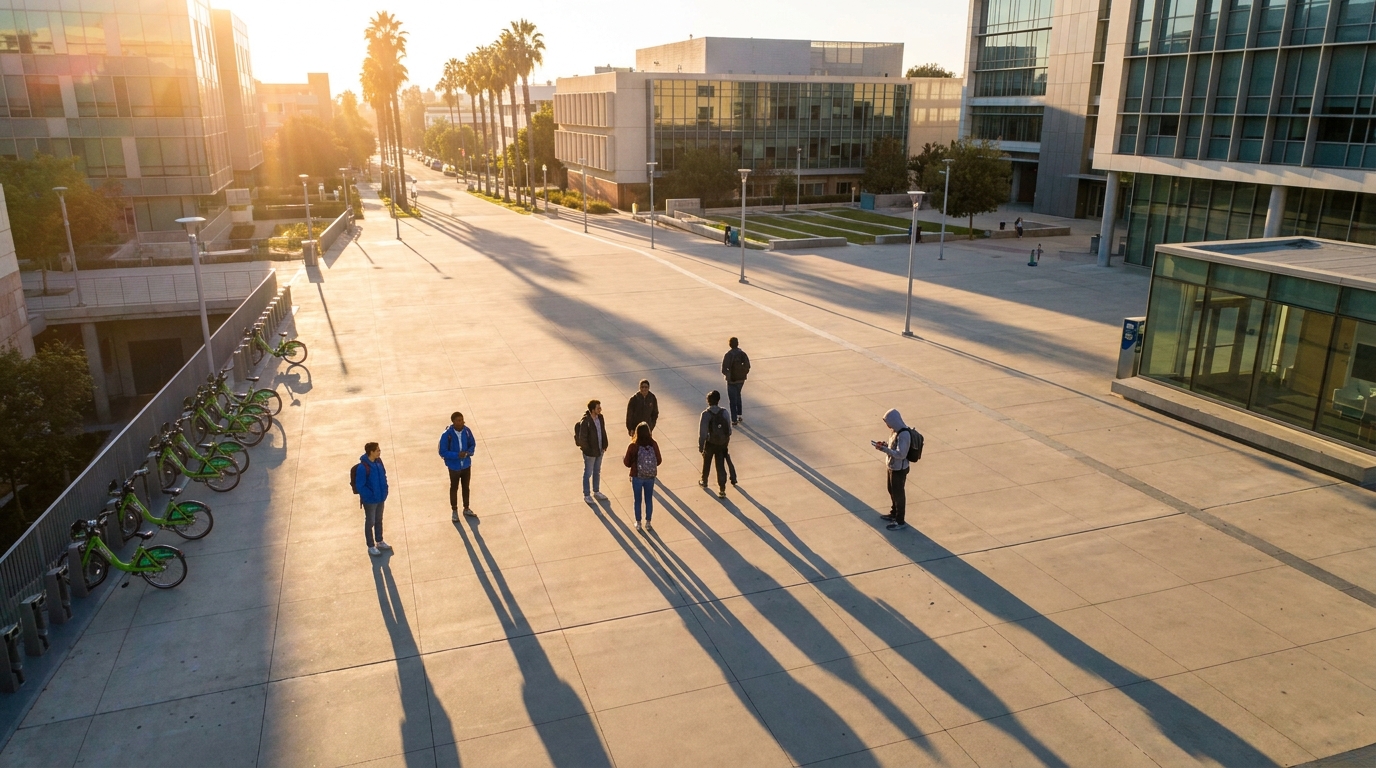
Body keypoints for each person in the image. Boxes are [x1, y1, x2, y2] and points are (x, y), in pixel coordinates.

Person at [871, 409, 912, 532]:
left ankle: (900, 520)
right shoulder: (894, 431)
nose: (887, 425)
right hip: (892, 466)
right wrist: (884, 445)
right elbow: (892, 446)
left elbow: (901, 454)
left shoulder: (904, 434)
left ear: (894, 420)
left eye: (888, 422)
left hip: (899, 469)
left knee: (898, 494)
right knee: (891, 490)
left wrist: (884, 450)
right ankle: (894, 513)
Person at [622, 421, 663, 531]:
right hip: (650, 477)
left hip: (637, 476)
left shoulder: (633, 446)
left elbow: (627, 463)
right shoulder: (653, 444)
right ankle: (648, 523)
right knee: (648, 499)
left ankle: (638, 523)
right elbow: (659, 460)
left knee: (637, 500)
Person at [439, 411, 477, 521]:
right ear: (453, 422)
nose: (461, 422)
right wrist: (457, 455)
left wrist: (468, 452)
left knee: (466, 487)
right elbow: (442, 451)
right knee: (454, 488)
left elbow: (472, 444)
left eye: (462, 420)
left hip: (466, 465)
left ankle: (466, 508)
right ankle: (454, 511)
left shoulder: (467, 431)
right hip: (454, 467)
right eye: (458, 420)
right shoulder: (447, 434)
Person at [354, 442, 391, 555]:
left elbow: (384, 475)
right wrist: (371, 495)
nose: (380, 452)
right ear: (371, 452)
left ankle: (379, 541)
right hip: (370, 501)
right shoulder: (363, 467)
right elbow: (360, 486)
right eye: (377, 450)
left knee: (379, 520)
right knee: (370, 522)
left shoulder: (379, 462)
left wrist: (385, 490)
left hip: (380, 497)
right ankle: (371, 545)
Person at [698, 390, 732, 498]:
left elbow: (702, 433)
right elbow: (729, 430)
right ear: (718, 400)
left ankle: (704, 480)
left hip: (710, 443)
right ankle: (722, 489)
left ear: (708, 401)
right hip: (721, 444)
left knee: (707, 462)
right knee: (720, 465)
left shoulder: (705, 414)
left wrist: (701, 446)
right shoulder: (724, 412)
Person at [577, 399, 609, 503]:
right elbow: (582, 439)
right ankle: (587, 494)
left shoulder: (600, 418)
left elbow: (603, 431)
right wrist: (587, 450)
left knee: (597, 471)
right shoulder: (586, 422)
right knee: (588, 473)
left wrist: (605, 444)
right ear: (592, 409)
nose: (600, 409)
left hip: (600, 450)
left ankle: (596, 491)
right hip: (590, 453)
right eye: (598, 408)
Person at [721, 337, 751, 425]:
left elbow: (724, 369)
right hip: (741, 380)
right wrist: (743, 374)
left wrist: (728, 375)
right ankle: (739, 415)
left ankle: (734, 419)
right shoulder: (742, 354)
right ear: (738, 343)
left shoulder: (728, 355)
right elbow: (748, 366)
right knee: (738, 395)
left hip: (732, 381)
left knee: (732, 400)